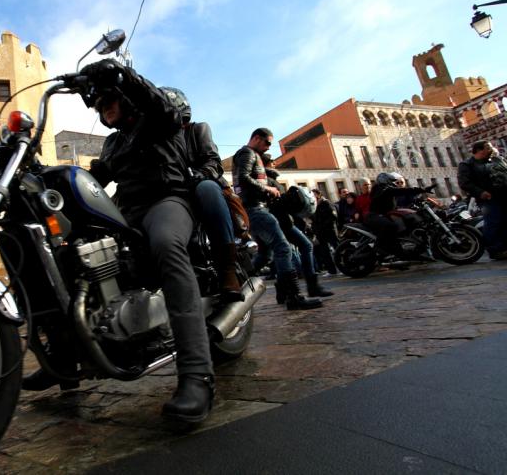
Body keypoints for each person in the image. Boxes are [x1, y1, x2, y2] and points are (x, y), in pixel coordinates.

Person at [28, 58, 215, 423]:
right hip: (126, 212)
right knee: (68, 258)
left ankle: (197, 374)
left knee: (165, 244)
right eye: (100, 104)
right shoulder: (114, 143)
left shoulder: (159, 121)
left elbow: (159, 105)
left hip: (168, 200)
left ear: (127, 98)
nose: (105, 107)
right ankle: (64, 359)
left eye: (110, 99)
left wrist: (124, 75)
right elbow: (92, 177)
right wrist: (38, 173)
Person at [159, 86, 243, 300]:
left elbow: (213, 162)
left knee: (207, 188)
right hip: (173, 192)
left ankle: (228, 270)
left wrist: (200, 174)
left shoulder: (197, 130)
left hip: (200, 185)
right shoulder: (158, 140)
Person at [232, 128, 323, 311]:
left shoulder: (249, 154)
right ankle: (294, 296)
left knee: (267, 253)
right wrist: (269, 190)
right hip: (255, 209)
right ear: (257, 138)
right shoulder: (247, 153)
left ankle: (240, 283)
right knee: (282, 248)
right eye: (267, 143)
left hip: (254, 209)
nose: (268, 148)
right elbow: (243, 178)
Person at [458, 140, 507, 260]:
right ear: (479, 150)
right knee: (493, 222)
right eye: (488, 147)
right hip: (488, 198)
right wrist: (480, 192)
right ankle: (495, 250)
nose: (491, 149)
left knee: (505, 221)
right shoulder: (467, 164)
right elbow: (464, 183)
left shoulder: (495, 160)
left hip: (503, 195)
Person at [366, 172, 431, 260]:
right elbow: (399, 191)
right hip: (374, 216)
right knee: (390, 226)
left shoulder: (387, 190)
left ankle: (405, 253)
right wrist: (421, 189)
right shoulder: (380, 189)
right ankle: (379, 247)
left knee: (402, 225)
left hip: (384, 215)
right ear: (384, 180)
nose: (393, 183)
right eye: (391, 181)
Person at [312, 189, 339, 275]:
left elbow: (333, 216)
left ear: (319, 195)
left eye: (314, 195)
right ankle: (331, 270)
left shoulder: (326, 203)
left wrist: (324, 225)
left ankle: (343, 267)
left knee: (337, 249)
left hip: (330, 230)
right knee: (325, 252)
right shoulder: (314, 206)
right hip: (320, 232)